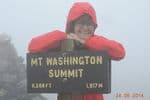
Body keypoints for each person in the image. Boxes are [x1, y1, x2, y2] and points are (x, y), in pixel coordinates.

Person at [28, 2, 125, 100]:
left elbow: (120, 52)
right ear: (72, 25)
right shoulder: (61, 42)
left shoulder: (97, 42)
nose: (85, 27)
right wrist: (63, 36)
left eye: (90, 24)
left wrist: (86, 41)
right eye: (81, 23)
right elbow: (33, 46)